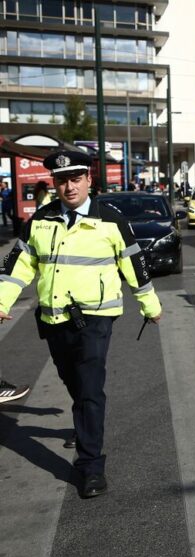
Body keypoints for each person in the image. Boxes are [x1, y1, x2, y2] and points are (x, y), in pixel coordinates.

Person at [0, 149, 162, 499]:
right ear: (55, 184)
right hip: (53, 317)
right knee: (72, 379)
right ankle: (83, 423)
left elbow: (135, 265)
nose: (69, 187)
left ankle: (90, 466)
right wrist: (1, 302)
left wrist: (150, 304)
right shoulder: (40, 221)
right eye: (62, 181)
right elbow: (17, 267)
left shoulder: (111, 220)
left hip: (96, 319)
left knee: (89, 386)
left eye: (76, 179)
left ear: (89, 180)